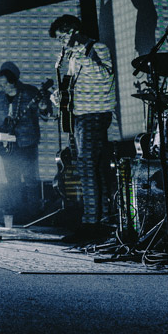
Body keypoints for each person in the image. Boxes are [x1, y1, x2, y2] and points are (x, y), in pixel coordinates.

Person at [49, 14, 117, 231]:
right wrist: (59, 95)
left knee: (87, 166)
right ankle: (102, 219)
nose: (60, 42)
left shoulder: (97, 48)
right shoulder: (73, 56)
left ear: (72, 33)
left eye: (62, 37)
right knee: (92, 167)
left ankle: (91, 222)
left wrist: (82, 56)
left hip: (95, 113)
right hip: (79, 115)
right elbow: (71, 84)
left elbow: (105, 76)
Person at [0, 62, 42, 220]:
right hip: (8, 144)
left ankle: (34, 213)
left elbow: (43, 112)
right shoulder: (0, 97)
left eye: (6, 83)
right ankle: (17, 211)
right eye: (0, 84)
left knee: (30, 177)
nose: (3, 87)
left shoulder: (29, 92)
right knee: (12, 179)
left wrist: (45, 106)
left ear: (13, 80)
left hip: (27, 141)